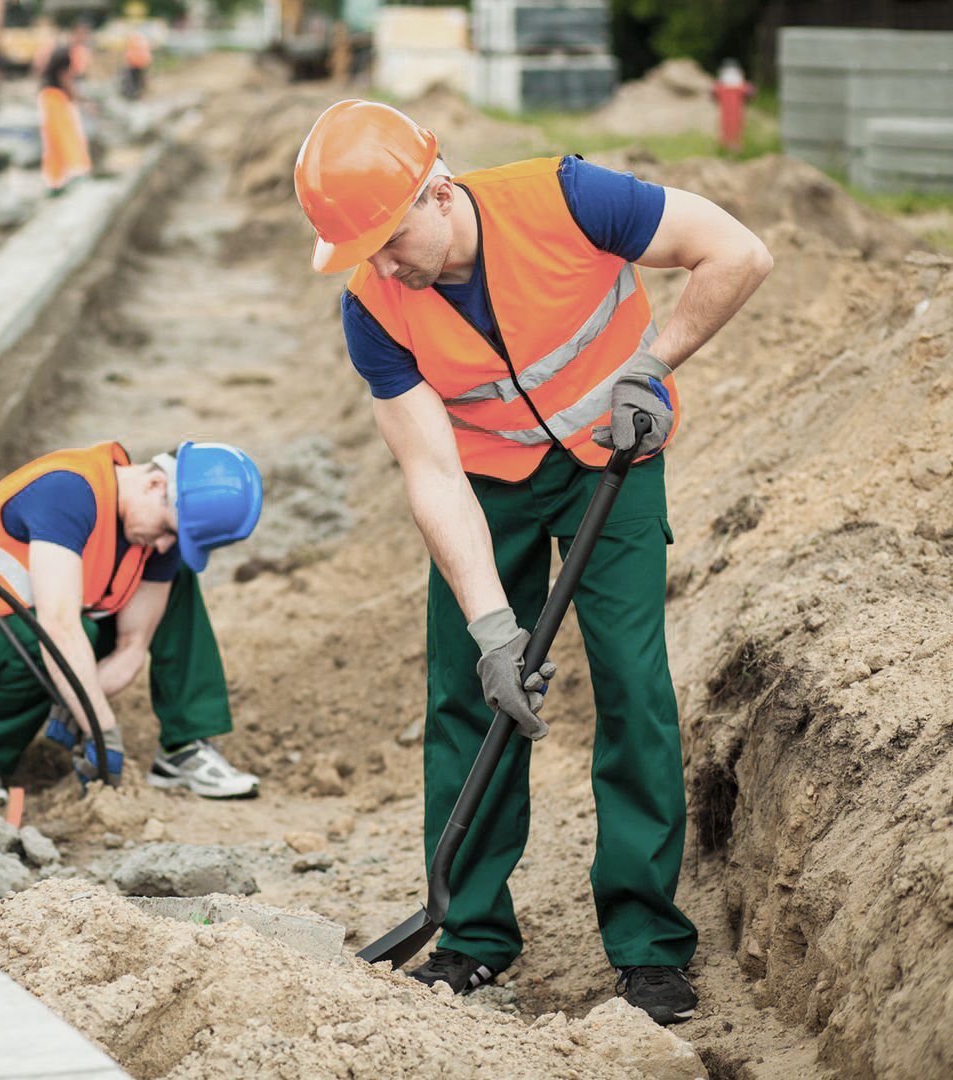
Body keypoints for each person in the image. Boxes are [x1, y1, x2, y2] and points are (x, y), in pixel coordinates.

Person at [293, 101, 772, 1025]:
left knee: (633, 680)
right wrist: (492, 630)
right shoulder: (373, 309)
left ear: (438, 193)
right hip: (490, 480)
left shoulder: (568, 198)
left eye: (390, 240)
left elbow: (739, 253)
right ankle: (473, 936)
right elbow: (430, 472)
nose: (384, 266)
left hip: (613, 454)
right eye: (364, 254)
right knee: (469, 693)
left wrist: (653, 365)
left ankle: (648, 946)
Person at [0, 440, 265, 811]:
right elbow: (58, 627)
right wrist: (101, 728)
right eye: (168, 531)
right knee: (53, 636)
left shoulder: (154, 531)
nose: (163, 546)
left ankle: (184, 746)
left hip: (36, 637)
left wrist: (81, 698)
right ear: (155, 485)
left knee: (178, 576)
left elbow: (132, 647)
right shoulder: (68, 492)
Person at [37, 45, 91, 196]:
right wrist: (82, 101)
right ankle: (71, 173)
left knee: (53, 144)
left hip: (50, 99)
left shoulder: (55, 63)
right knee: (65, 139)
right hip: (56, 101)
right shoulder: (64, 63)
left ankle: (55, 181)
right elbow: (67, 82)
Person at [122, 31, 151, 100]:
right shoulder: (143, 42)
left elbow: (128, 53)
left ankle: (133, 94)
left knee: (133, 80)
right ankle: (138, 93)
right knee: (139, 80)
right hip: (141, 64)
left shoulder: (133, 42)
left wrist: (127, 61)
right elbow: (146, 53)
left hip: (134, 64)